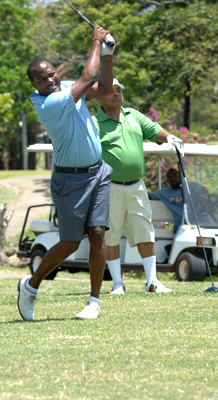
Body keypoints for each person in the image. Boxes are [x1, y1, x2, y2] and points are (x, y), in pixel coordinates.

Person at [17, 26, 115, 321]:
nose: (50, 79)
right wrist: (96, 40)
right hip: (70, 180)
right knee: (71, 243)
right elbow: (88, 78)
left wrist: (107, 55)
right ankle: (31, 286)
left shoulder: (66, 88)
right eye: (42, 78)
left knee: (97, 233)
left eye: (51, 73)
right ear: (35, 85)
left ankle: (94, 301)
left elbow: (104, 88)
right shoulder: (47, 103)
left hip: (98, 173)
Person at [92, 79, 184, 294]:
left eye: (119, 90)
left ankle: (152, 281)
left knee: (145, 231)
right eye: (111, 91)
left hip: (137, 186)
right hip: (109, 186)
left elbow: (154, 130)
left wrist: (169, 136)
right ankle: (117, 283)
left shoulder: (133, 115)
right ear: (100, 97)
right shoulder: (95, 122)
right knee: (112, 234)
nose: (117, 94)